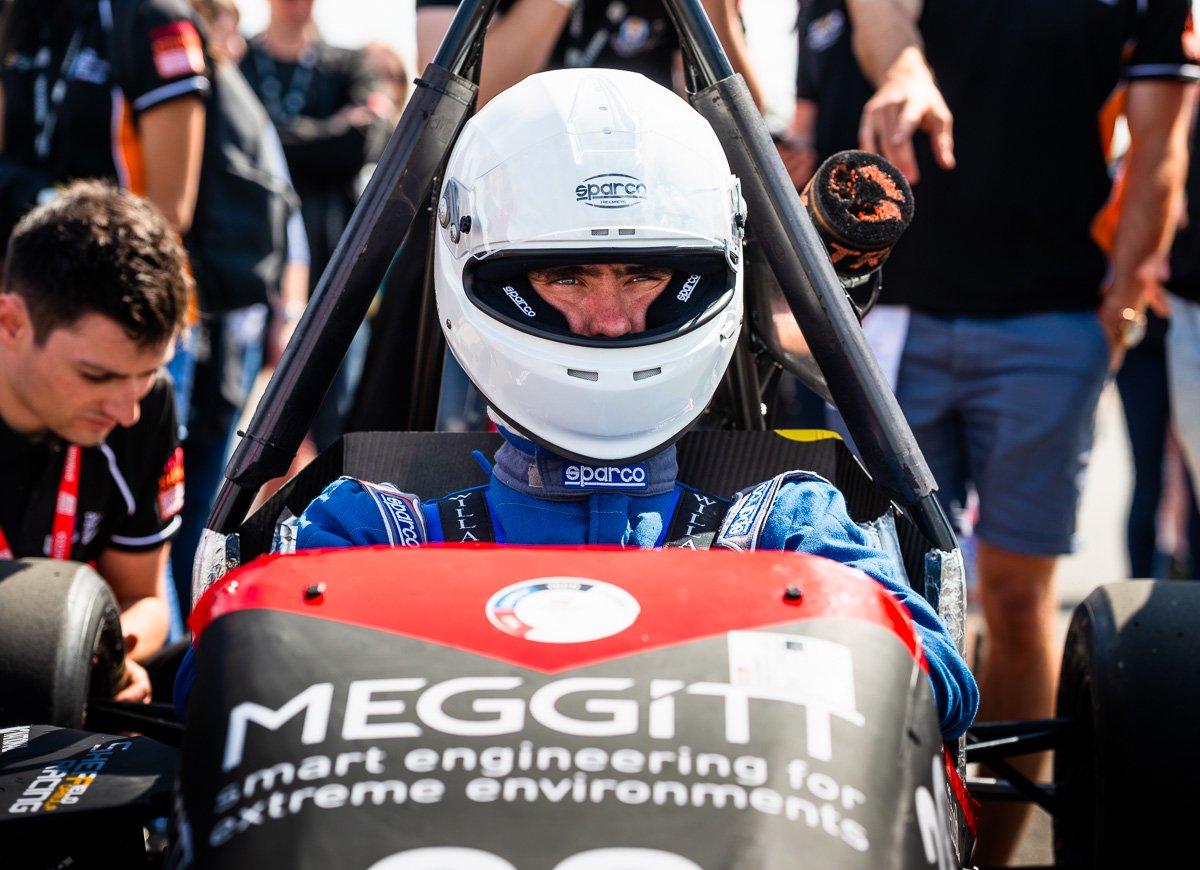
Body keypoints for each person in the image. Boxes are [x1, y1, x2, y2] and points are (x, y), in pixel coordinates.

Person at [281, 68, 978, 742]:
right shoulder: (365, 533)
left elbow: (941, 687)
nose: (611, 320)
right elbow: (230, 679)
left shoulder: (791, 527)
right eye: (566, 277)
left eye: (644, 275)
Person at [844, 0, 1198, 862]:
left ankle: (989, 857)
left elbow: (1160, 151)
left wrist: (1114, 316)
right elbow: (874, 20)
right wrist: (905, 67)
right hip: (898, 312)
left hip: (1051, 323)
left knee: (1014, 596)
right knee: (878, 587)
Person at [0, 180, 190, 703]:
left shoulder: (146, 406)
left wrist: (110, 663)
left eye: (147, 373)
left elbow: (145, 599)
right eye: (96, 376)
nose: (126, 410)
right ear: (11, 322)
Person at [239, 0, 390, 452]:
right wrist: (327, 133)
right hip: (246, 265)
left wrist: (264, 140)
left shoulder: (349, 64)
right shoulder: (241, 59)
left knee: (331, 427)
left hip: (332, 272)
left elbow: (364, 141)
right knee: (238, 424)